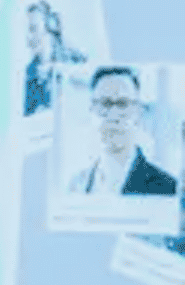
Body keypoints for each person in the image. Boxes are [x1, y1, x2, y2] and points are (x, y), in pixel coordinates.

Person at [61, 66, 178, 196]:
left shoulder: (168, 188)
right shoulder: (76, 186)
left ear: (138, 112)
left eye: (123, 104)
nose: (113, 115)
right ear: (91, 110)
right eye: (105, 103)